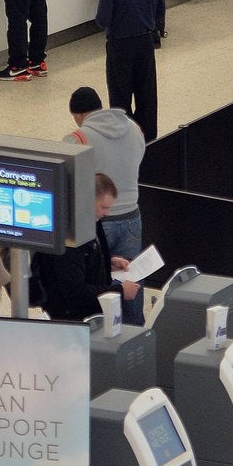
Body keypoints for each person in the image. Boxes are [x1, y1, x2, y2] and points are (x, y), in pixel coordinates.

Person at [68, 87, 148, 321]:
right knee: (130, 280)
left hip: (97, 221)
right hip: (132, 216)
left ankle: (104, 332)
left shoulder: (78, 138)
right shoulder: (134, 128)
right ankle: (135, 334)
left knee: (97, 280)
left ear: (79, 115)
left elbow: (68, 180)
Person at [37, 173, 137, 321]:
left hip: (89, 312)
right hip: (71, 319)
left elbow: (85, 259)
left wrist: (106, 263)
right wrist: (120, 291)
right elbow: (75, 291)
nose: (107, 213)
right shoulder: (70, 236)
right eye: (103, 207)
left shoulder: (92, 220)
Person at [95, 0, 164, 136]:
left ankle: (124, 139)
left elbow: (102, 20)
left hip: (119, 46)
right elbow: (160, 12)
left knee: (119, 99)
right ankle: (149, 139)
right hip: (145, 42)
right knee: (147, 96)